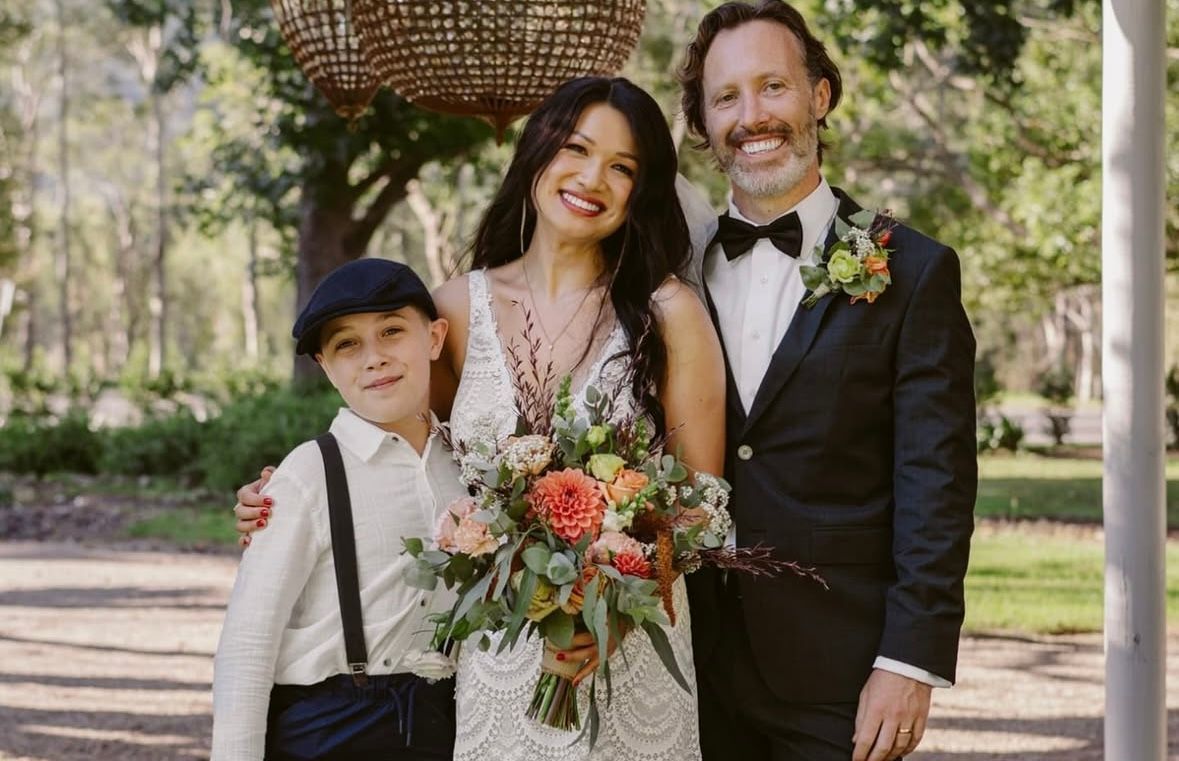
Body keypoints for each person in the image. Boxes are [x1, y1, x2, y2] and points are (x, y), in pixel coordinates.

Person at [233, 76, 727, 761]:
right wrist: (283, 493)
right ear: (537, 152)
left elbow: (702, 506)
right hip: (500, 650)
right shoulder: (455, 310)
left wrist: (612, 606)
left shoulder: (669, 313)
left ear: (640, 191)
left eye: (622, 167)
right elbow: (396, 449)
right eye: (577, 149)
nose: (593, 178)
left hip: (631, 649)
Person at [675, 3, 977, 761]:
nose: (752, 115)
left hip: (839, 672)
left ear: (819, 95)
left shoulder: (913, 271)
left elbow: (936, 482)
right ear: (702, 122)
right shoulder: (674, 274)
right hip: (686, 662)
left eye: (772, 86)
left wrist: (908, 662)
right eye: (726, 97)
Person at [212, 258, 464, 760]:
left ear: (434, 338)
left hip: (441, 724)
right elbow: (248, 644)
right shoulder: (308, 473)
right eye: (347, 344)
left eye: (392, 331)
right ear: (325, 366)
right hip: (329, 729)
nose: (374, 358)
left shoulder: (468, 466)